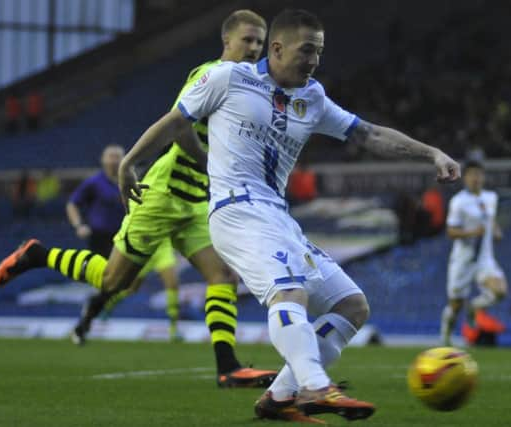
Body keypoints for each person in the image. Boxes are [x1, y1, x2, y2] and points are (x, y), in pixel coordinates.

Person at [118, 9, 460, 421]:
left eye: (320, 51)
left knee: (351, 305)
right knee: (290, 293)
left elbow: (369, 134)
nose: (315, 60)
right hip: (236, 209)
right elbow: (176, 121)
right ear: (277, 48)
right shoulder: (228, 78)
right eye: (307, 50)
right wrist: (130, 162)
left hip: (278, 216)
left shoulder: (311, 97)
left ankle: (280, 397)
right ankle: (316, 387)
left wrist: (431, 153)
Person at [0, 9, 276, 389]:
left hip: (194, 202)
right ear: (227, 41)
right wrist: (206, 165)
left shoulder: (247, 88)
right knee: (114, 281)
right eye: (248, 40)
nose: (255, 48)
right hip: (161, 195)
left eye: (260, 42)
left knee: (223, 276)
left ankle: (228, 368)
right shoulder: (210, 75)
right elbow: (178, 129)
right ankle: (38, 255)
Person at [65, 144, 180, 343]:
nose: (114, 160)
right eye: (110, 156)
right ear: (103, 160)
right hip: (102, 238)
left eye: (118, 156)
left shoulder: (133, 178)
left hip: (132, 236)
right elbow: (72, 203)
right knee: (114, 284)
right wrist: (79, 225)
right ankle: (89, 317)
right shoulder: (94, 183)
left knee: (122, 285)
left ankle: (91, 312)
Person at [440, 160, 507, 346]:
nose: (475, 178)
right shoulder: (459, 202)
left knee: (500, 291)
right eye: (471, 175)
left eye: (479, 174)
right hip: (463, 260)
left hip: (484, 259)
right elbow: (451, 231)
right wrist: (472, 233)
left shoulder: (491, 197)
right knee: (454, 306)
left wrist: (495, 229)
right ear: (465, 178)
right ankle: (445, 338)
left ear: (483, 177)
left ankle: (474, 307)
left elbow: (489, 218)